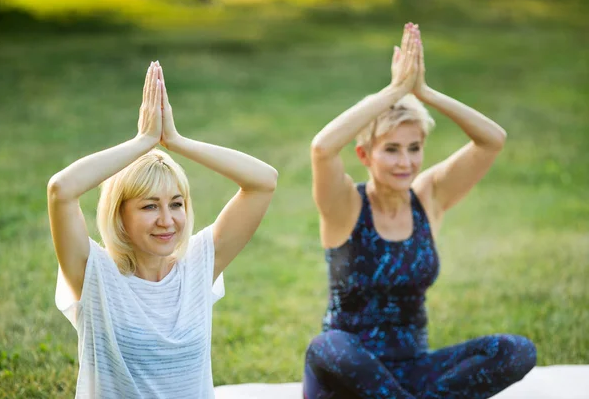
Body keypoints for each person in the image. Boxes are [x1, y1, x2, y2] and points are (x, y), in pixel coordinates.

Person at [303, 23, 536, 399]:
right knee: (329, 345)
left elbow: (493, 139)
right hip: (345, 378)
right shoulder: (345, 204)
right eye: (391, 149)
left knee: (516, 350)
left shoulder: (429, 196)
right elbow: (322, 148)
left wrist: (424, 93)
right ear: (364, 154)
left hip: (414, 372)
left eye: (414, 148)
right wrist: (393, 91)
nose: (405, 162)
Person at [48, 61, 278, 398]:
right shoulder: (93, 274)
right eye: (149, 205)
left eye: (176, 203)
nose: (167, 220)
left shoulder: (200, 263)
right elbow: (61, 190)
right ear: (119, 214)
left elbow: (263, 181)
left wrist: (175, 141)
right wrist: (143, 141)